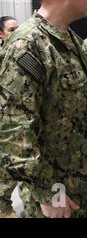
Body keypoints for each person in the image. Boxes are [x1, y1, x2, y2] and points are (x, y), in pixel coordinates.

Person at [0, 0, 87, 218]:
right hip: (58, 197)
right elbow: (14, 131)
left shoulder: (70, 38)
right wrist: (49, 194)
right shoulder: (27, 45)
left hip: (85, 183)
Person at [0, 16, 19, 218]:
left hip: (19, 120)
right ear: (1, 34)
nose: (17, 33)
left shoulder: (22, 52)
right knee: (6, 166)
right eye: (12, 30)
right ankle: (3, 206)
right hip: (4, 119)